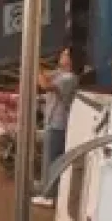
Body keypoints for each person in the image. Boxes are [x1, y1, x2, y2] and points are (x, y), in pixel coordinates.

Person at [33, 49, 78, 208]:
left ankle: (49, 196)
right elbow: (46, 75)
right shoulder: (60, 73)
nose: (61, 55)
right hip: (52, 122)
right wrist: (39, 67)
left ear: (71, 60)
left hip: (59, 124)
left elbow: (44, 84)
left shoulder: (69, 78)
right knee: (48, 158)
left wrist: (35, 64)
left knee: (52, 160)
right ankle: (45, 185)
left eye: (65, 54)